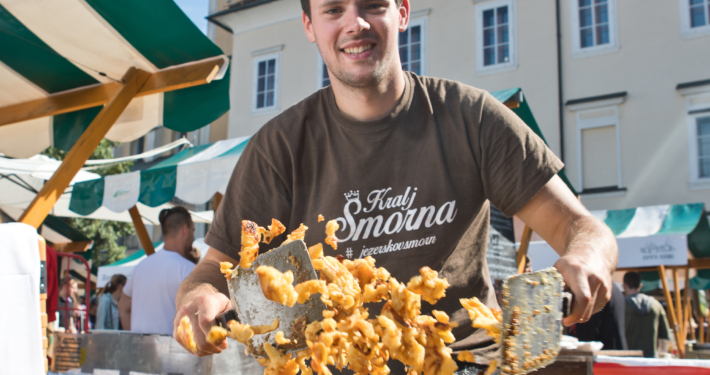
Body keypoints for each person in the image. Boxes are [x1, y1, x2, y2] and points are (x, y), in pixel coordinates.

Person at [173, 0, 618, 372]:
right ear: (310, 26)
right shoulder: (279, 146)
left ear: (402, 11)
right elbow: (217, 267)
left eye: (373, 5)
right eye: (333, 9)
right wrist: (199, 298)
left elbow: (580, 227)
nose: (356, 23)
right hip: (331, 362)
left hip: (462, 361)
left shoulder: (472, 118)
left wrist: (587, 256)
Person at [118, 207, 196, 334]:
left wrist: (134, 340)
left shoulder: (140, 266)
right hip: (174, 351)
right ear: (185, 230)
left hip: (140, 350)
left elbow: (123, 307)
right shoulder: (188, 269)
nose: (193, 237)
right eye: (193, 230)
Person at [623, 272, 671, 358]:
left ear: (624, 285)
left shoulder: (621, 305)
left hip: (627, 359)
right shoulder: (656, 305)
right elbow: (664, 335)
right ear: (640, 286)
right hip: (651, 359)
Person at [574, 282, 628, 350]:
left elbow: (589, 331)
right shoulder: (614, 288)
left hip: (604, 352)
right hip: (617, 349)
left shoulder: (597, 288)